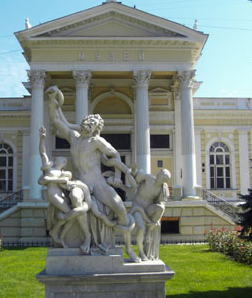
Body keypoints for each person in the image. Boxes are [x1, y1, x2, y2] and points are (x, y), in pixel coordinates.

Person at [46, 86, 139, 259]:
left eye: (91, 124)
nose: (87, 126)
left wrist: (118, 176)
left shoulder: (97, 141)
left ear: (96, 128)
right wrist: (52, 102)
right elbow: (57, 121)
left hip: (97, 181)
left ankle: (130, 248)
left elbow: (114, 155)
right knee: (76, 200)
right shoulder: (74, 138)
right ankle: (87, 238)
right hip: (81, 182)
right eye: (86, 123)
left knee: (119, 207)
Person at [129, 169, 171, 260]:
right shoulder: (148, 178)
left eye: (162, 176)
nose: (159, 175)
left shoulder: (161, 189)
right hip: (137, 206)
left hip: (148, 209)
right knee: (141, 228)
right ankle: (141, 252)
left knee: (160, 208)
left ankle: (149, 231)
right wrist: (134, 172)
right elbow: (136, 179)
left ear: (164, 179)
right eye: (160, 173)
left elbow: (161, 203)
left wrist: (157, 218)